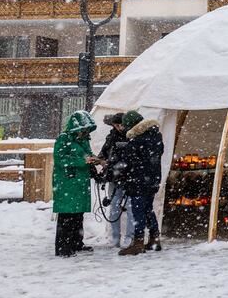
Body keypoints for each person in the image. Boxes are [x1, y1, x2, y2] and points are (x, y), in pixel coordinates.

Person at [117, 110, 165, 256]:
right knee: (148, 209)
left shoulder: (137, 141)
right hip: (152, 180)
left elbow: (129, 163)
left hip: (138, 181)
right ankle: (154, 238)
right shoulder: (155, 137)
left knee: (138, 211)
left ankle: (138, 243)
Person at [52, 110, 99, 257]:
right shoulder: (63, 139)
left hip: (79, 183)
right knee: (67, 216)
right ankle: (63, 247)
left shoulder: (83, 140)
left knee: (78, 215)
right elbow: (60, 160)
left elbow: (87, 154)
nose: (84, 132)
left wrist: (94, 160)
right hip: (67, 182)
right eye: (82, 130)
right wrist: (81, 161)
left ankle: (76, 243)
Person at [98, 112, 133, 248]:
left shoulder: (133, 135)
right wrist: (102, 161)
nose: (119, 127)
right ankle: (115, 237)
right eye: (116, 125)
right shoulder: (111, 137)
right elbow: (104, 152)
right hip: (114, 177)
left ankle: (130, 237)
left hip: (129, 177)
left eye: (121, 124)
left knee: (130, 208)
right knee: (114, 207)